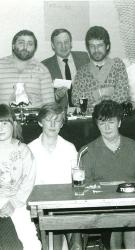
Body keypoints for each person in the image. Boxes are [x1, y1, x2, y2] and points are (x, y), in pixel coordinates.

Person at [78, 100, 135, 249]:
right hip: (103, 208)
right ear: (97, 125)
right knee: (114, 220)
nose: (107, 127)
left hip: (133, 204)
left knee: (130, 216)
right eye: (102, 123)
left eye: (111, 122)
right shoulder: (87, 151)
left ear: (119, 123)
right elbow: (85, 188)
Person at [28, 103, 81, 249]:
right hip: (42, 209)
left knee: (76, 244)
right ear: (40, 122)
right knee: (53, 245)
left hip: (66, 207)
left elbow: (77, 182)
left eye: (57, 120)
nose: (52, 124)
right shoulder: (30, 149)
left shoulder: (69, 148)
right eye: (48, 120)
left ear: (62, 124)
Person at [0, 104, 41, 249]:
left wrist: (14, 202)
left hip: (17, 201)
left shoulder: (23, 150)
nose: (0, 128)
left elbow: (28, 181)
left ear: (14, 124)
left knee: (30, 241)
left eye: (5, 123)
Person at [72, 26, 129, 113]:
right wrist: (101, 92)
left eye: (100, 45)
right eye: (92, 46)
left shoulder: (117, 65)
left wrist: (98, 104)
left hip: (114, 117)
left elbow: (122, 94)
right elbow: (76, 99)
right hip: (90, 120)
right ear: (88, 48)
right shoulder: (82, 72)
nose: (96, 50)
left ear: (107, 46)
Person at [0, 30, 55, 107]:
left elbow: (50, 107)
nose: (25, 47)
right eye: (21, 43)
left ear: (35, 48)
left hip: (35, 118)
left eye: (30, 44)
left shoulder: (42, 70)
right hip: (4, 118)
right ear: (13, 45)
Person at [42, 28, 89, 109]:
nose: (63, 46)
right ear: (53, 45)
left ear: (71, 43)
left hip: (85, 110)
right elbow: (43, 99)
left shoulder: (84, 58)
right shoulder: (45, 66)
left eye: (66, 42)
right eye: (59, 43)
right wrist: (56, 97)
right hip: (61, 115)